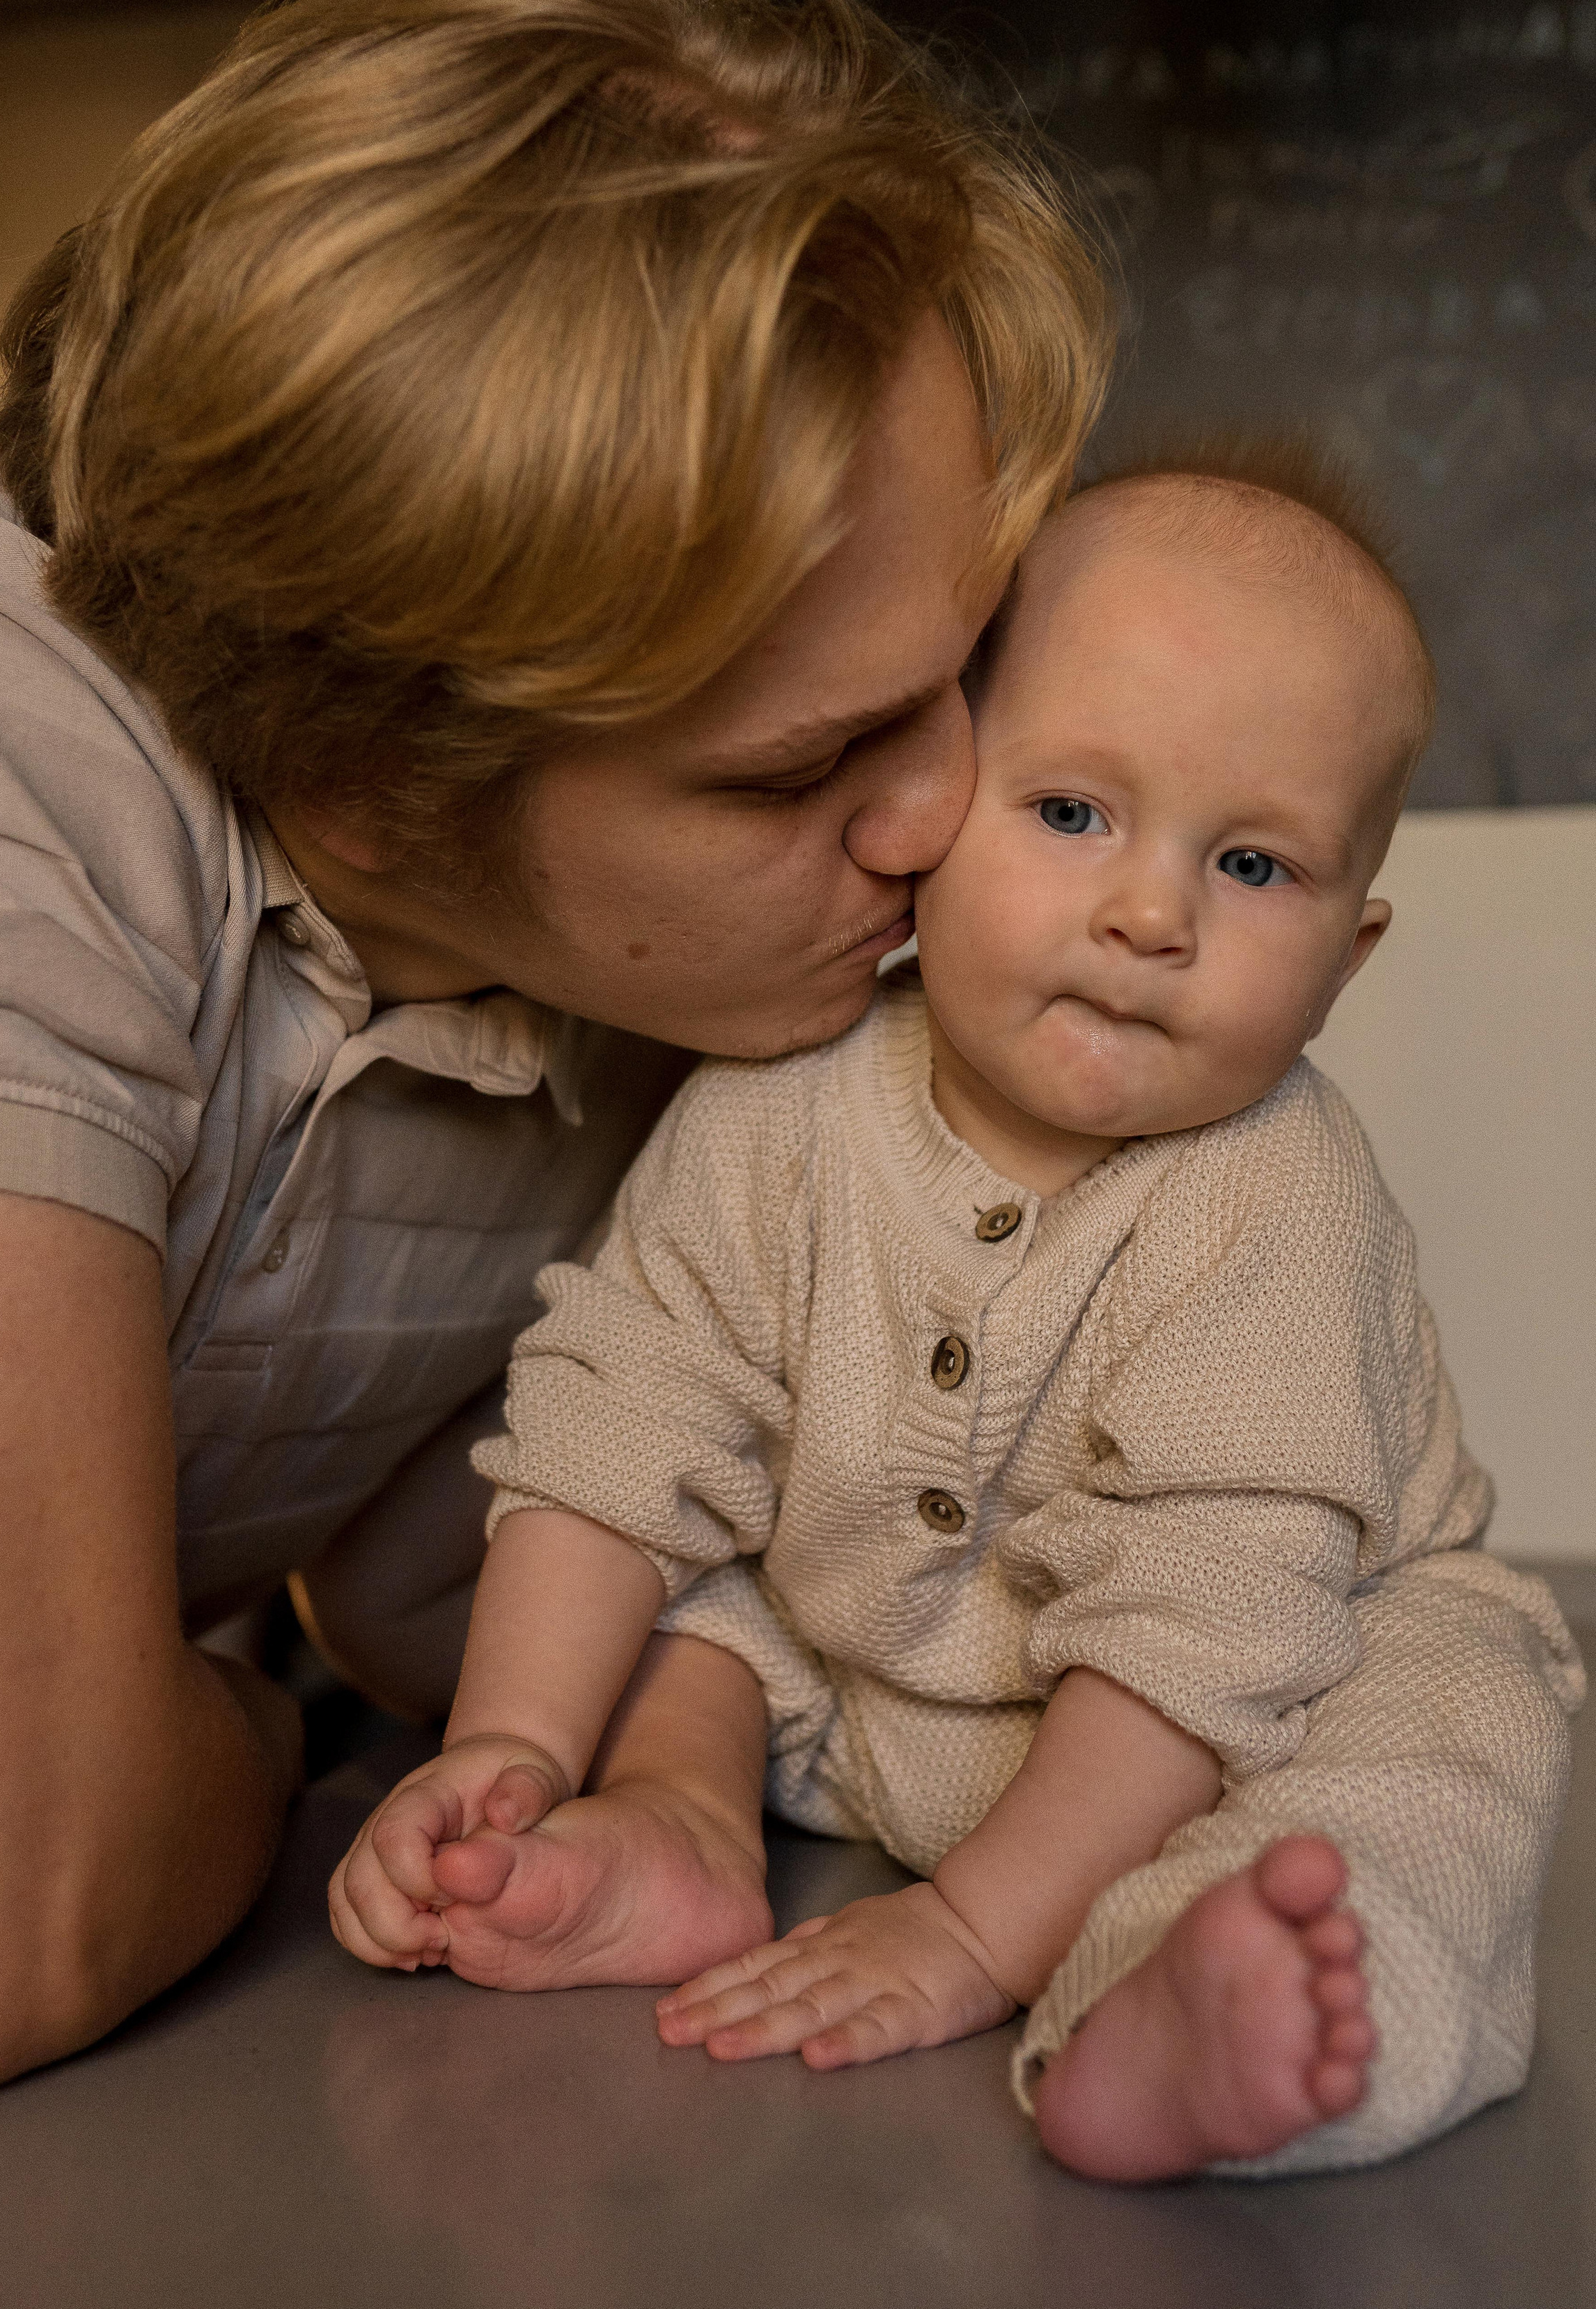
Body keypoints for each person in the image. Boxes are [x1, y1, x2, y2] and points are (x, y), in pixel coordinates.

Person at [0, 0, 1107, 2103]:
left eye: (961, 677)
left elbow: (480, 1622)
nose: (952, 813)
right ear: (358, 777)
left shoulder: (622, 975)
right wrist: (238, 1714)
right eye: (803, 768)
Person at [327, 458, 1583, 2182]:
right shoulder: (781, 1097)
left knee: (1441, 1746)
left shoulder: (1270, 1197)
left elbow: (1209, 1627)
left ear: (1348, 958)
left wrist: (974, 1942)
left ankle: (1180, 2014)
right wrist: (506, 1751)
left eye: (1250, 865)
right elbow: (624, 1408)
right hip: (875, 1677)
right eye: (1071, 813)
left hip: (1256, 1682)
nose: (1150, 915)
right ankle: (671, 1822)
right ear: (933, 807)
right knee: (675, 1566)